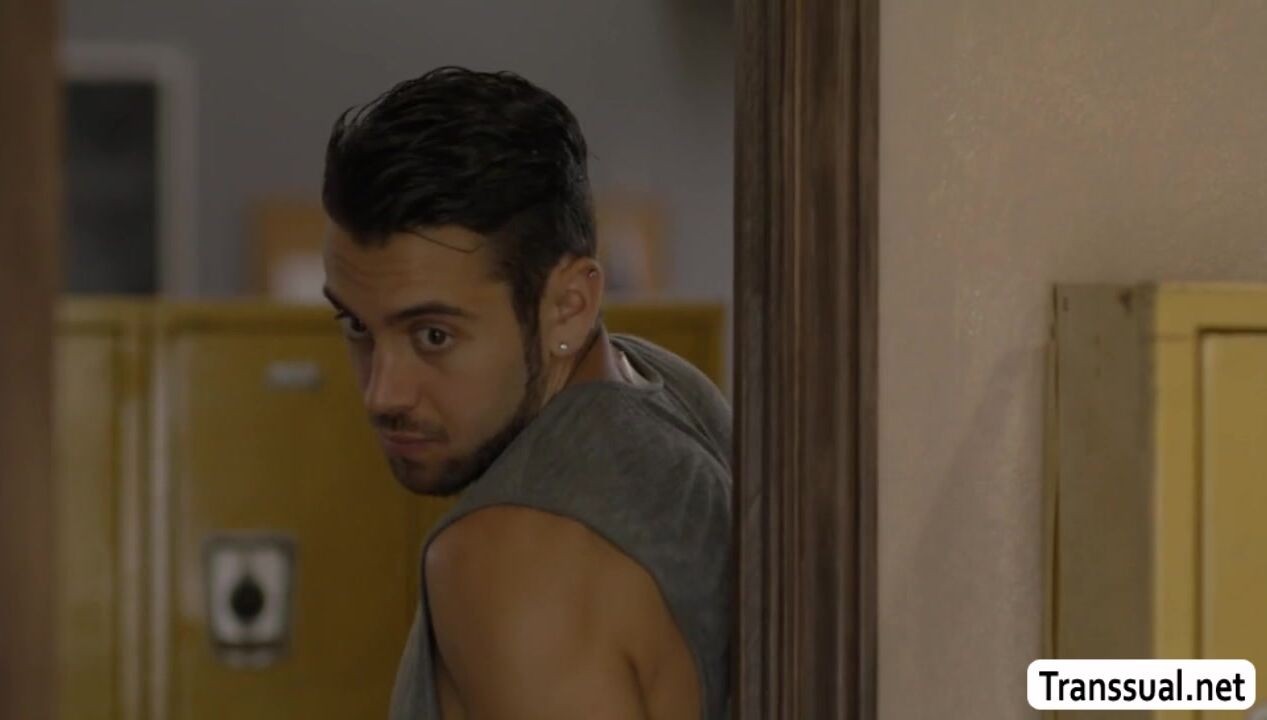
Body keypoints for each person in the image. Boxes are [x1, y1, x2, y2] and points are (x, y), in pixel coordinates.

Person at [319, 66, 732, 720]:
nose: (382, 393)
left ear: (568, 306)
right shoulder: (670, 390)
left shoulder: (509, 560)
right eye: (356, 327)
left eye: (433, 335)